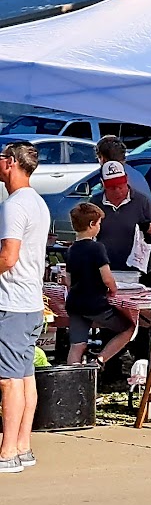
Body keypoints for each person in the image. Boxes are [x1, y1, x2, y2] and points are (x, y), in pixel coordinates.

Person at [0, 142, 50, 471]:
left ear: (12, 164)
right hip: (30, 302)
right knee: (24, 375)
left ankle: (8, 453)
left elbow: (8, 256)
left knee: (8, 380)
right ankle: (23, 446)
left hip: (14, 303)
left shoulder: (15, 205)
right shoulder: (37, 203)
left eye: (2, 157)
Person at [64, 202, 136, 369]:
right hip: (95, 304)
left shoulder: (71, 249)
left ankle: (72, 380)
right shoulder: (97, 248)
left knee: (77, 345)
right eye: (99, 223)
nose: (99, 227)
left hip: (75, 303)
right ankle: (99, 361)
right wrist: (113, 290)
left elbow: (68, 280)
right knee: (129, 329)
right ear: (91, 225)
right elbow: (107, 278)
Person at [97, 161, 151, 274]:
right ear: (103, 184)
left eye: (121, 185)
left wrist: (145, 226)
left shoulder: (141, 201)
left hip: (136, 270)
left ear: (127, 179)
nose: (117, 190)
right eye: (112, 187)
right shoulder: (95, 202)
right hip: (105, 269)